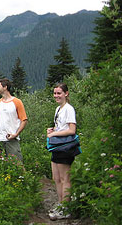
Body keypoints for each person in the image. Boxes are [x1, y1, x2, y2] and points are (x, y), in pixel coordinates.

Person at [47, 83, 76, 220]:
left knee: (65, 178)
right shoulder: (58, 109)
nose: (56, 96)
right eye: (55, 93)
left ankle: (66, 208)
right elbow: (61, 127)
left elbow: (72, 130)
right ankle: (60, 205)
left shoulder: (69, 109)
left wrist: (54, 135)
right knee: (56, 178)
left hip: (65, 147)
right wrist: (52, 130)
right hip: (57, 146)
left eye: (59, 93)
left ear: (66, 93)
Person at [0, 78, 28, 162]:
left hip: (10, 139)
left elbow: (24, 120)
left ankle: (23, 175)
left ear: (5, 87)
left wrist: (16, 134)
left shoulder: (17, 102)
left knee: (16, 163)